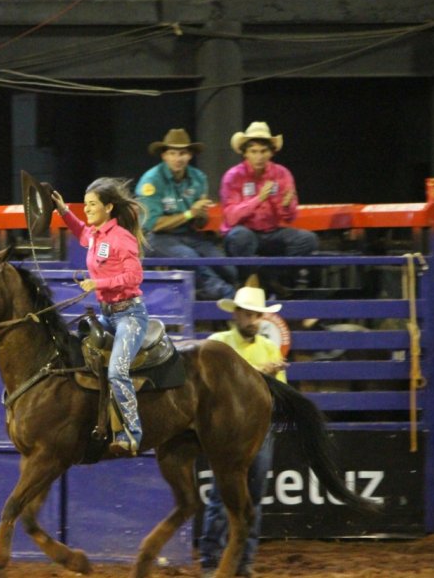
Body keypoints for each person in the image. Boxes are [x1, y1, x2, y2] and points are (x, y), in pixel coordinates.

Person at [51, 178, 148, 455]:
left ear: (108, 207)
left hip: (129, 314)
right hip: (107, 314)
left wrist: (98, 284)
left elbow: (135, 275)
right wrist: (63, 211)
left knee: (117, 371)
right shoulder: (95, 235)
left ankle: (132, 432)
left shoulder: (122, 238)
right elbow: (81, 232)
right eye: (86, 204)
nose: (88, 210)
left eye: (93, 205)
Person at [199, 286, 288, 578]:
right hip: (226, 431)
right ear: (236, 314)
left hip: (258, 429)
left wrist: (269, 378)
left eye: (256, 315)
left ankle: (240, 561)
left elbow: (282, 394)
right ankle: (213, 560)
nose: (252, 320)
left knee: (251, 497)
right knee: (222, 496)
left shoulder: (266, 348)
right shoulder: (218, 344)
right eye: (247, 314)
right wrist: (263, 374)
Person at [135, 128, 237, 301]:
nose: (178, 158)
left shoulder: (199, 178)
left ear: (190, 155)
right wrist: (191, 213)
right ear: (164, 156)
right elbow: (153, 224)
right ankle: (230, 298)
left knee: (228, 269)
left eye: (182, 153)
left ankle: (201, 298)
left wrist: (201, 215)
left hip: (190, 235)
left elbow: (200, 223)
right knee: (191, 259)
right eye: (172, 153)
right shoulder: (151, 181)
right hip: (156, 238)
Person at [220, 122, 318, 292]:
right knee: (241, 237)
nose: (259, 156)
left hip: (272, 233)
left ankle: (267, 278)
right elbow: (231, 217)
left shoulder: (282, 174)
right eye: (253, 151)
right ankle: (256, 282)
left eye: (263, 151)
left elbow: (290, 217)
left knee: (307, 240)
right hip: (244, 232)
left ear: (271, 152)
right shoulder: (233, 176)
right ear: (245, 153)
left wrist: (286, 206)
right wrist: (259, 199)